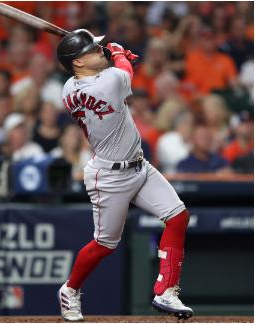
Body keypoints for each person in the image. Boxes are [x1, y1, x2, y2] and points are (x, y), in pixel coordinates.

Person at [55, 29, 193, 321]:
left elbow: (116, 70)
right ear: (77, 63)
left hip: (139, 165)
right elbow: (124, 72)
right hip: (108, 176)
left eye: (99, 48)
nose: (99, 51)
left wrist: (111, 54)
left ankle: (166, 291)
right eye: (92, 50)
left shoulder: (69, 85)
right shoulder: (109, 82)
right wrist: (118, 52)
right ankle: (70, 289)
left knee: (178, 216)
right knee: (105, 244)